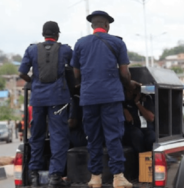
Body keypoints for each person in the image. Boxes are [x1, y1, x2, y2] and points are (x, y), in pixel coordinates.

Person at [71, 10, 132, 188]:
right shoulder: (117, 43)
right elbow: (124, 72)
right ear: (107, 25)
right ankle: (118, 177)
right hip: (111, 96)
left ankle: (95, 177)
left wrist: (87, 84)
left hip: (89, 97)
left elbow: (76, 72)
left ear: (92, 25)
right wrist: (129, 84)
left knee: (93, 137)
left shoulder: (80, 44)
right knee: (113, 136)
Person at [18, 21, 72, 188]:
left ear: (43, 34)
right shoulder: (65, 50)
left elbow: (22, 72)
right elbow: (76, 68)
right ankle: (55, 177)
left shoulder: (31, 49)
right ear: (57, 34)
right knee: (58, 137)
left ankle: (34, 176)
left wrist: (33, 83)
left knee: (36, 135)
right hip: (58, 99)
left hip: (38, 99)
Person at [123, 81, 155, 153]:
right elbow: (129, 119)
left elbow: (151, 118)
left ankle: (150, 159)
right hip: (133, 129)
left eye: (133, 90)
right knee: (136, 135)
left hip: (147, 129)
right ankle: (140, 159)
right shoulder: (124, 102)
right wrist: (124, 110)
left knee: (152, 138)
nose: (130, 93)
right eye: (129, 91)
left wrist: (138, 103)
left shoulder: (146, 99)